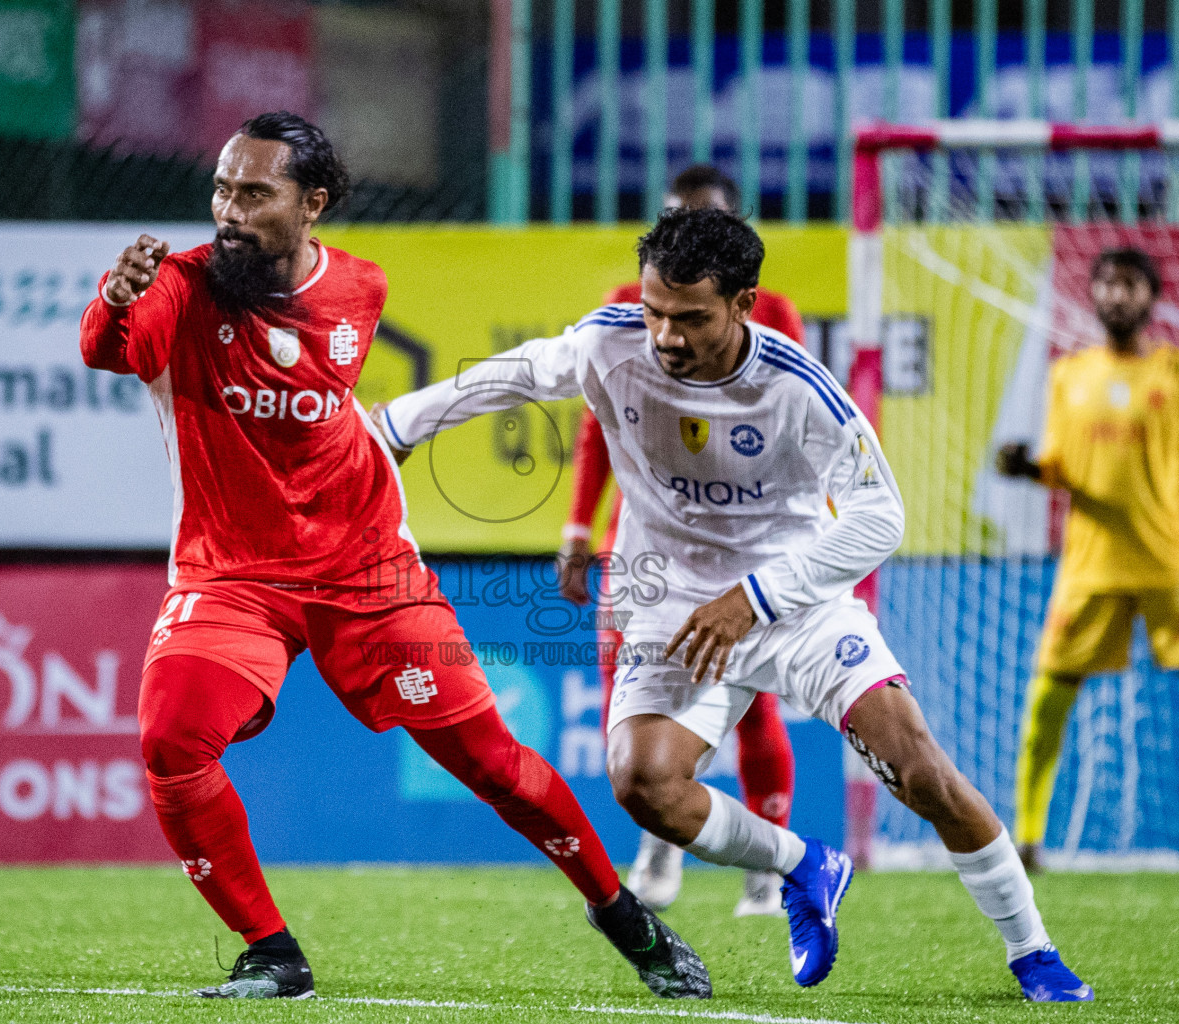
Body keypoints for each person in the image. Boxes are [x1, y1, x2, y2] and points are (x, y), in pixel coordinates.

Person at [378, 207, 1093, 1001]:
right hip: (670, 603)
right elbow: (511, 373)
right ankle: (804, 865)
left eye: (691, 317)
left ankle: (1033, 952)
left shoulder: (797, 387)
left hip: (795, 600)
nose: (666, 336)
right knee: (644, 785)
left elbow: (881, 516)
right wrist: (394, 428)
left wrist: (754, 598)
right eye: (655, 311)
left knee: (922, 773)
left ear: (745, 303)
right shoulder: (611, 341)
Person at [79, 111, 710, 1001]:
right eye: (222, 188)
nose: (228, 209)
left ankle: (625, 916)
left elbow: (317, 406)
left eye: (255, 193)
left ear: (313, 206)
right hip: (234, 575)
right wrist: (115, 299)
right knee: (170, 738)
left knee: (494, 764)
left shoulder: (359, 291)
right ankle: (271, 952)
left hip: (367, 567)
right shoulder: (180, 287)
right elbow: (109, 349)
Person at [558, 165, 799, 917]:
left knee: (749, 703)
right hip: (639, 545)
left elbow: (801, 434)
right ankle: (660, 837)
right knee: (625, 696)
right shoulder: (627, 309)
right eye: (673, 221)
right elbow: (598, 424)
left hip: (731, 544)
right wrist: (575, 524)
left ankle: (767, 863)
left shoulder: (775, 317)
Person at [996, 246, 1179, 880]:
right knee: (1047, 700)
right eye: (1106, 284)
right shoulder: (1070, 374)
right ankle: (1031, 841)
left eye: (1129, 285)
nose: (1116, 295)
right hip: (1089, 566)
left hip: (1168, 564)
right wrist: (1028, 467)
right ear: (1093, 296)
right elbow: (1064, 468)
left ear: (1152, 298)